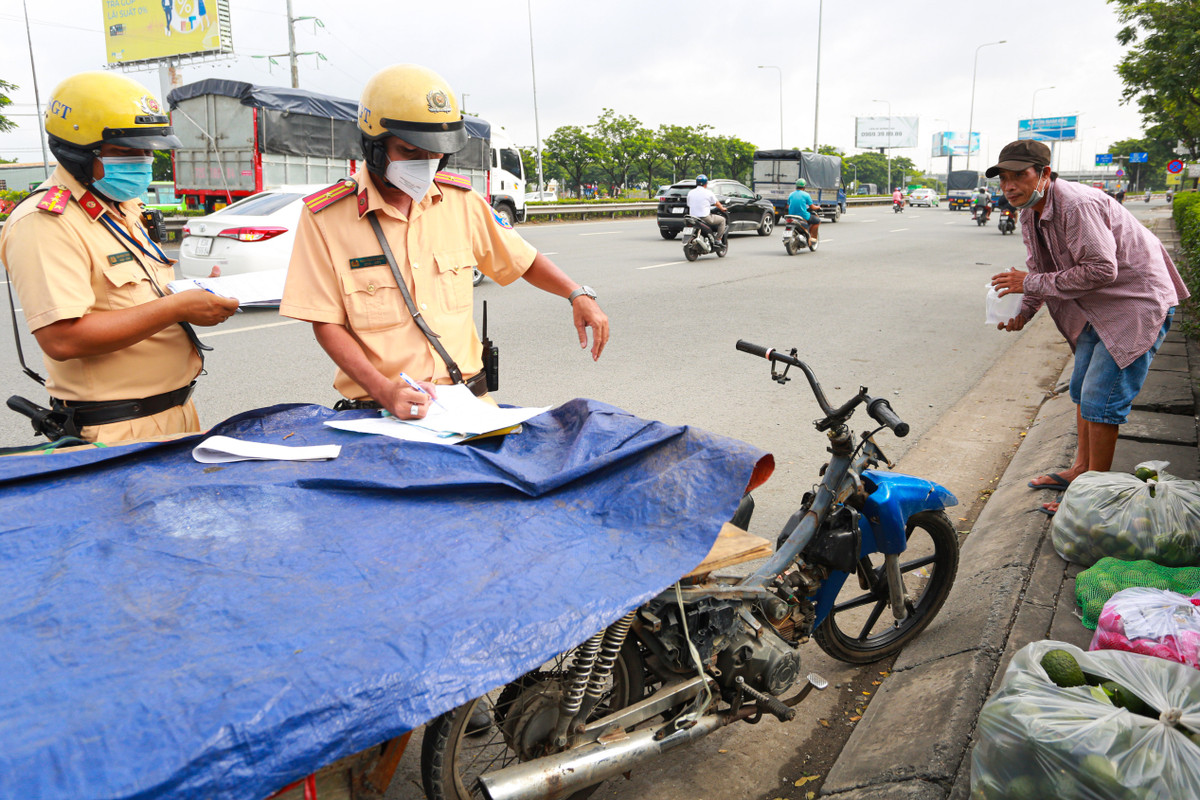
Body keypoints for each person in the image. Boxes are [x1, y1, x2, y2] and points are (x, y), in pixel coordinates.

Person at [280, 64, 608, 420]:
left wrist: (577, 294)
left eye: (435, 153)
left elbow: (521, 259)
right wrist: (384, 391)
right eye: (410, 152)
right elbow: (326, 324)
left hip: (468, 408)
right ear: (374, 146)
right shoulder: (326, 219)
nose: (426, 164)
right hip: (380, 413)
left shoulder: (461, 202)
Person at [0, 71, 239, 445]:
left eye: (148, 151)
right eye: (127, 153)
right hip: (115, 429)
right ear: (77, 152)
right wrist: (178, 308)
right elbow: (62, 339)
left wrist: (195, 293)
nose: (143, 162)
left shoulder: (122, 207)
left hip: (175, 414)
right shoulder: (46, 223)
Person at [987, 140, 1189, 514]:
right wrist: (1023, 312)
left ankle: (1095, 499)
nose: (1010, 186)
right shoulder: (1029, 212)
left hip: (1134, 304)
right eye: (1003, 180)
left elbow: (1101, 269)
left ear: (1044, 174)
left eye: (1019, 176)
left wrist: (1028, 285)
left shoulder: (1077, 205)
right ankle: (1081, 470)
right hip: (1097, 308)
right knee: (1081, 390)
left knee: (1102, 400)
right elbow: (1039, 270)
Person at [686, 174, 727, 244]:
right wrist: (722, 208)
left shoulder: (690, 192)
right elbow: (717, 203)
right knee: (722, 220)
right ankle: (718, 239)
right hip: (704, 217)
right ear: (706, 183)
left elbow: (688, 204)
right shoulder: (708, 192)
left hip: (692, 217)